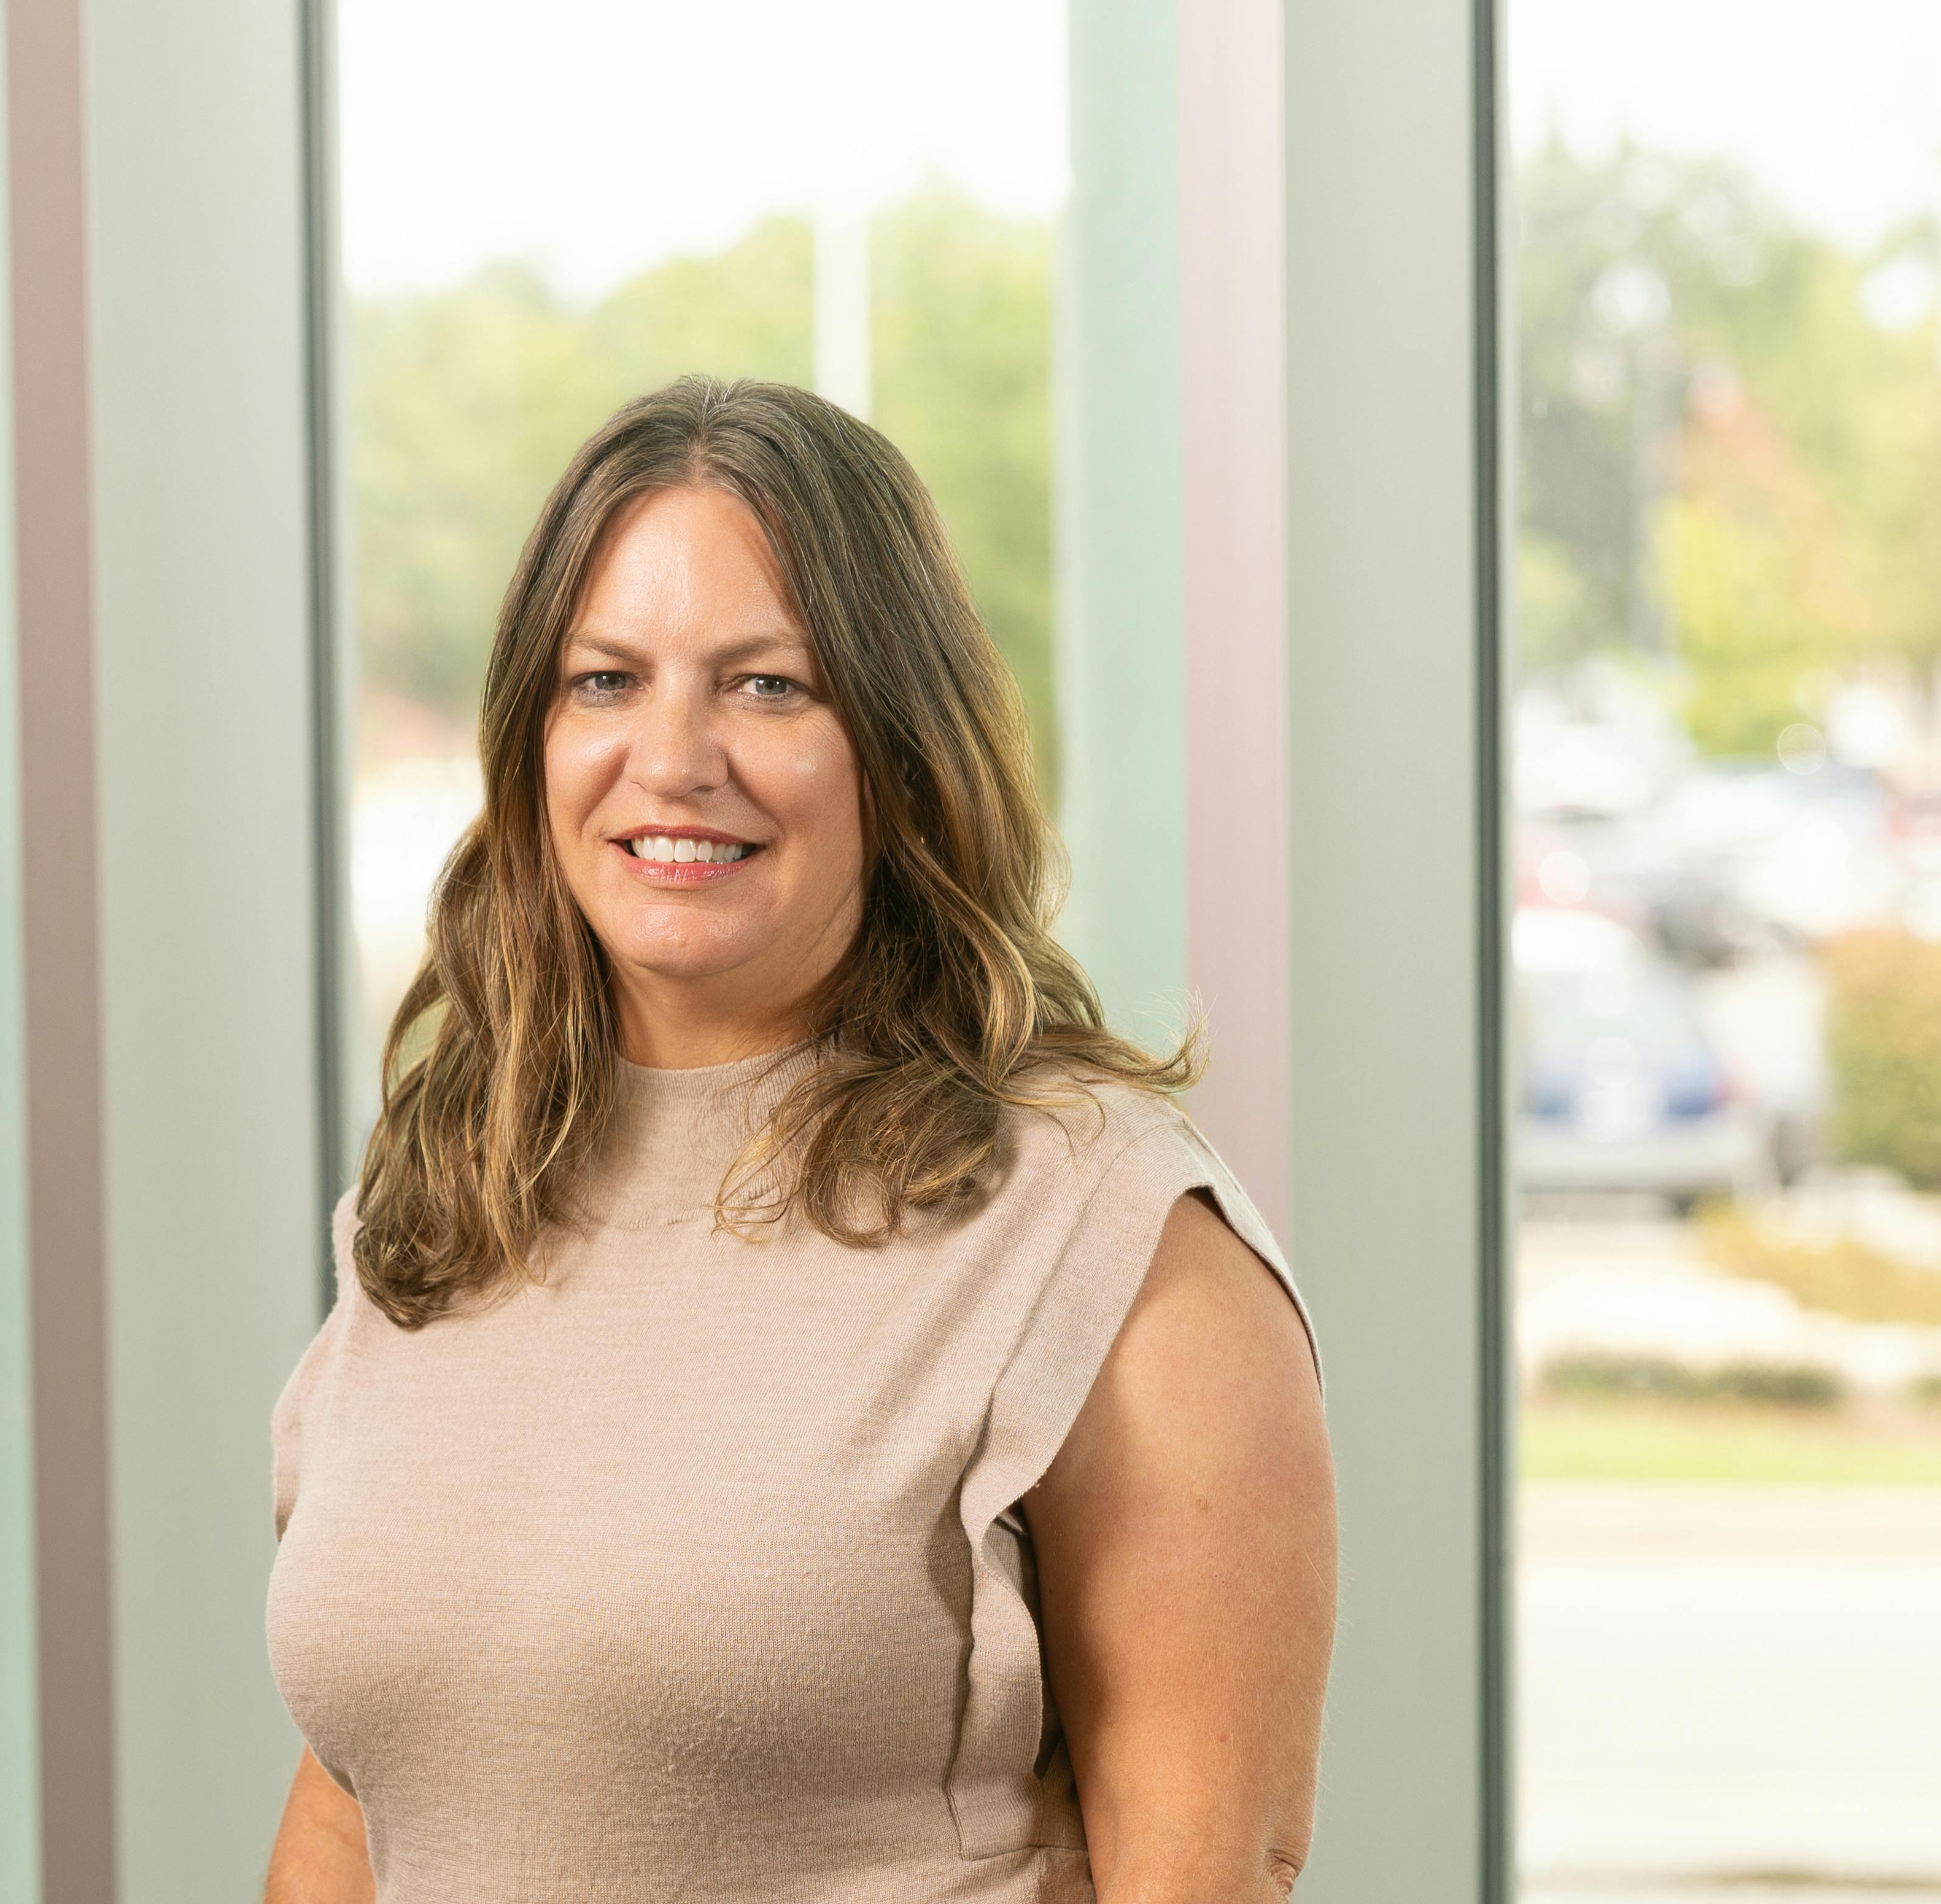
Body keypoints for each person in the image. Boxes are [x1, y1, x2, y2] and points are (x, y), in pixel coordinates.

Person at [265, 378, 1334, 1903]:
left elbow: (1212, 1876)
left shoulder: (1115, 1240)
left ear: (902, 754)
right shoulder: (447, 1197)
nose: (675, 756)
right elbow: (358, 1799)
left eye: (770, 685)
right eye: (604, 681)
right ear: (531, 746)